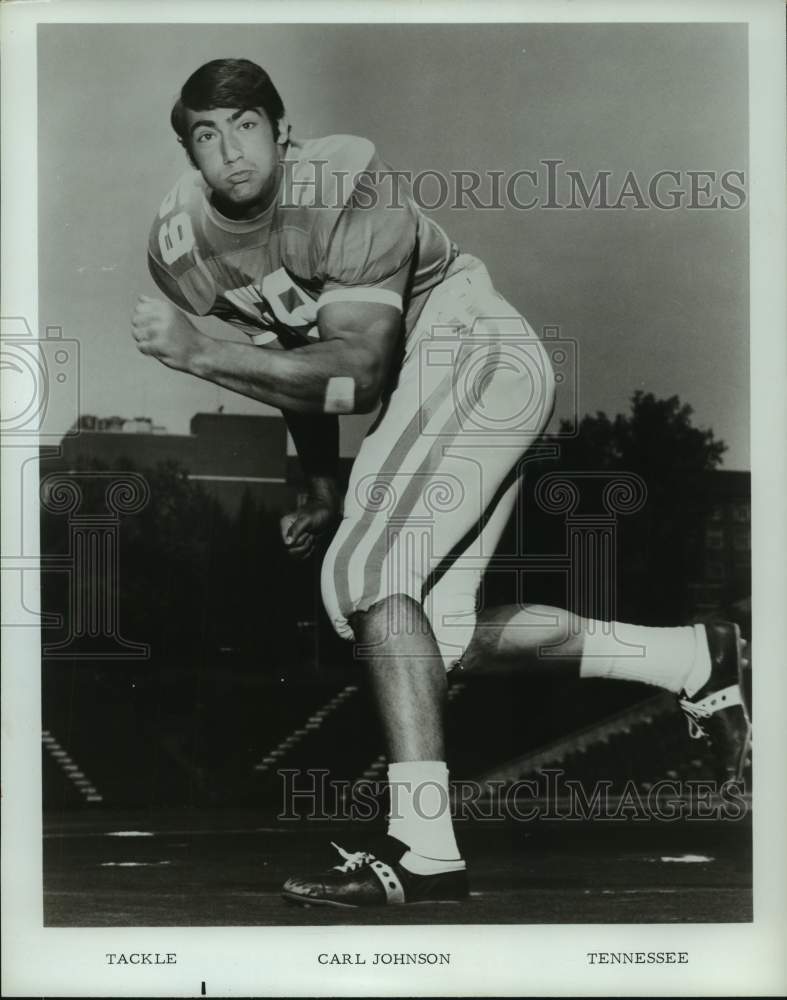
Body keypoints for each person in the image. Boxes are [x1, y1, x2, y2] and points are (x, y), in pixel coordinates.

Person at [133, 58, 751, 909]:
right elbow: (291, 360)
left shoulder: (348, 191)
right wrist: (318, 486)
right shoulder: (193, 250)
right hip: (442, 380)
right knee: (440, 633)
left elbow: (359, 369)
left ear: (284, 132)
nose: (230, 151)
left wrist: (200, 353)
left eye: (245, 126)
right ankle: (690, 655)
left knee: (363, 576)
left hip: (469, 351)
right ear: (187, 150)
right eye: (207, 134)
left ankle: (423, 847)